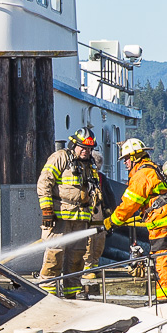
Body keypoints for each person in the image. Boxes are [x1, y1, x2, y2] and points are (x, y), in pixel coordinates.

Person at [104, 138, 167, 303]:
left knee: (163, 260)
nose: (125, 163)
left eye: (127, 158)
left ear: (135, 157)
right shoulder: (154, 168)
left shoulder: (142, 175)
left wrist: (112, 221)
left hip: (163, 221)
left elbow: (129, 204)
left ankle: (165, 299)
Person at [36, 128, 107, 299]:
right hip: (60, 217)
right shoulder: (60, 157)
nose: (86, 151)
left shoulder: (90, 165)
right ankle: (48, 294)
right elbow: (44, 182)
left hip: (81, 219)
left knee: (77, 258)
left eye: (89, 148)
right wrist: (47, 210)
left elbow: (93, 192)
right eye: (83, 147)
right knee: (54, 255)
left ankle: (71, 294)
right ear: (74, 144)